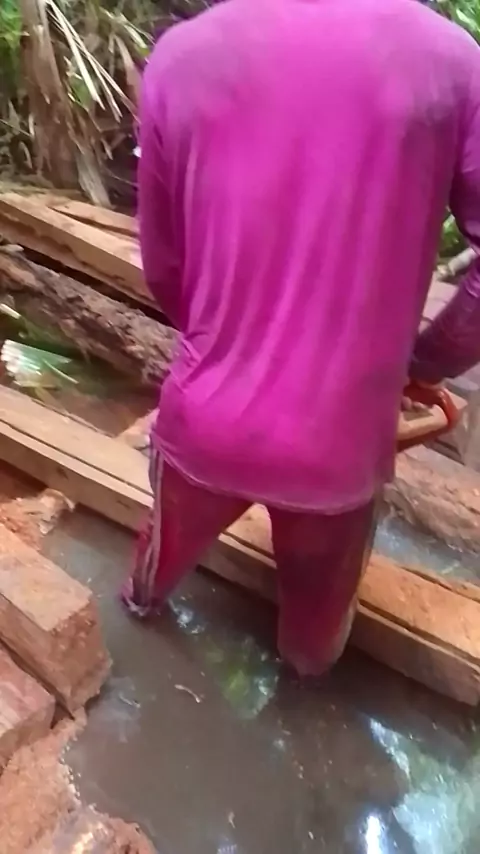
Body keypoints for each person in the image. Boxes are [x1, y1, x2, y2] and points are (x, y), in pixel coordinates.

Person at [122, 0, 480, 676]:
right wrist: (428, 359)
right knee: (312, 656)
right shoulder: (452, 61)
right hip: (339, 446)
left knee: (148, 585)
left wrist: (223, 344)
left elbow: (164, 266)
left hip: (207, 421)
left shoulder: (182, 55)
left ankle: (141, 614)